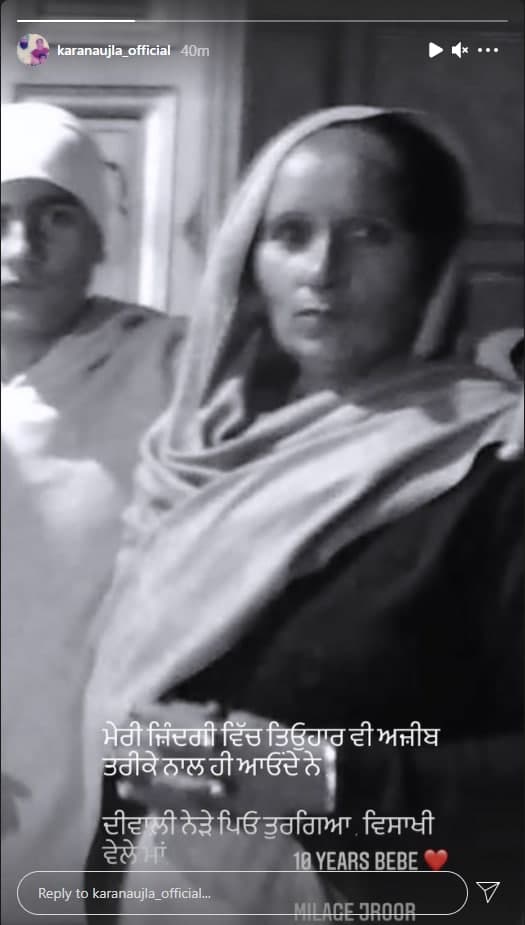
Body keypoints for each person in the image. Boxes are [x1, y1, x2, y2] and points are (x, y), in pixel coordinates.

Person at [84, 106, 523, 923]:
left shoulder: (492, 467)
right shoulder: (199, 453)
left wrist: (322, 779)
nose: (322, 269)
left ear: (430, 261)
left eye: (368, 234)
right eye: (290, 234)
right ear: (246, 262)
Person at [1, 102, 184, 924]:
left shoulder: (172, 367)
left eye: (55, 216)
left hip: (108, 763)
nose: (21, 249)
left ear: (101, 235)